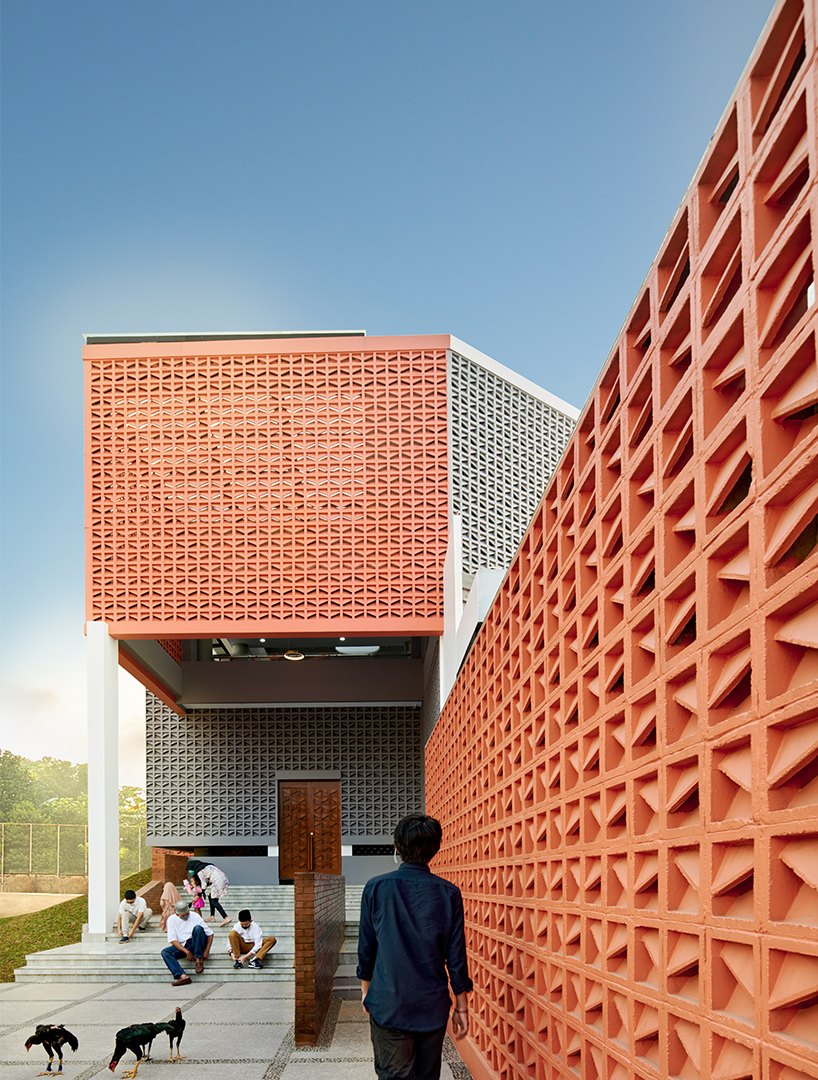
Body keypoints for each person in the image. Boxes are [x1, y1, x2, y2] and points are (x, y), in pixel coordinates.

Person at [357, 814, 472, 1080]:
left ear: (397, 847)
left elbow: (366, 947)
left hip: (388, 1003)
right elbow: (456, 957)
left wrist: (366, 991)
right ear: (435, 849)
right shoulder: (449, 893)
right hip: (431, 1006)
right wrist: (462, 1007)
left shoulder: (375, 888)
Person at [162, 899, 213, 986]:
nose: (186, 916)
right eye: (183, 915)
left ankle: (198, 960)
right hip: (184, 946)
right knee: (165, 952)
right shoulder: (171, 920)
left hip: (196, 942)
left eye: (187, 914)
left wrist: (207, 950)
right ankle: (183, 976)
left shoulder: (195, 916)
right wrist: (187, 952)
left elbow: (210, 934)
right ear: (177, 914)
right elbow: (173, 940)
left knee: (198, 928)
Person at [186, 858, 231, 926]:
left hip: (218, 880)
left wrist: (198, 895)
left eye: (190, 869)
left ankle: (226, 917)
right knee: (211, 896)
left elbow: (204, 885)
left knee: (214, 901)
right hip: (221, 878)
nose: (190, 871)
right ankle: (212, 917)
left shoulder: (200, 871)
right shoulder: (204, 866)